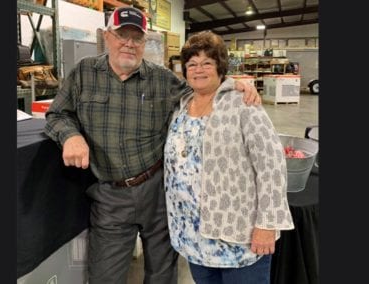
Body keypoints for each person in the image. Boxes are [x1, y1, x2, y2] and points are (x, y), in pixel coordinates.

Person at [44, 6, 261, 284]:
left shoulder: (162, 79)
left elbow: (203, 89)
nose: (129, 44)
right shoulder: (85, 73)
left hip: (159, 190)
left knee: (162, 274)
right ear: (107, 37)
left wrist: (235, 83)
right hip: (110, 195)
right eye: (122, 35)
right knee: (104, 276)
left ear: (144, 44)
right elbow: (57, 113)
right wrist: (70, 136)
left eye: (137, 38)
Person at [163, 31, 295, 284]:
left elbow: (272, 165)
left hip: (238, 237)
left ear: (220, 67)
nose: (198, 70)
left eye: (207, 63)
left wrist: (267, 224)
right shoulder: (182, 104)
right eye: (192, 64)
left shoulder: (242, 104)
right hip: (193, 235)